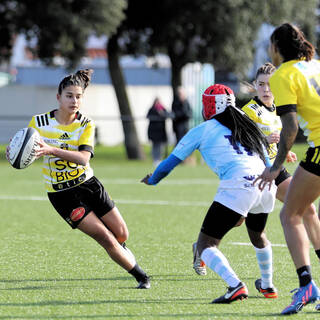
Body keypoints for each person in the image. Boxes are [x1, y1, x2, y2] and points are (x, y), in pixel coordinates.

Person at [6, 69, 150, 289]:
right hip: (62, 195)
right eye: (69, 96)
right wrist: (15, 152)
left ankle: (123, 254)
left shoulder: (85, 124)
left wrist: (51, 150)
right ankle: (142, 277)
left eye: (78, 96)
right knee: (105, 237)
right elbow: (26, 151)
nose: (74, 101)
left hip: (89, 185)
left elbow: (83, 159)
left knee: (121, 233)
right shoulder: (39, 122)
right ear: (58, 97)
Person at [141, 83, 277, 304]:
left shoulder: (203, 130)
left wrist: (153, 179)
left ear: (208, 107)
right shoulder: (247, 123)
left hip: (239, 184)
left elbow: (169, 163)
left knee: (205, 245)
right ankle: (268, 284)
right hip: (266, 184)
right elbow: (268, 161)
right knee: (258, 236)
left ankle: (235, 285)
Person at [254, 23, 320, 315]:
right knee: (306, 210)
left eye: (271, 45)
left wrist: (275, 166)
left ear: (277, 47)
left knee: (289, 214)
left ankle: (306, 284)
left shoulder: (284, 75)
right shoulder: (315, 66)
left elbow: (290, 127)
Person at [242, 62, 320, 278]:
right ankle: (202, 247)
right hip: (255, 172)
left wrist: (283, 152)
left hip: (274, 170)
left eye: (269, 85)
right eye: (261, 85)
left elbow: (280, 140)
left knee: (308, 209)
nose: (266, 90)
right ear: (255, 86)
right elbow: (240, 142)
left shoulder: (279, 109)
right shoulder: (250, 111)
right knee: (235, 220)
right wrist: (264, 139)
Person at [147, 98, 170, 167]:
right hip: (154, 132)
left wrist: (162, 113)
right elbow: (148, 117)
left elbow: (168, 115)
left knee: (160, 146)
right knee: (155, 146)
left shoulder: (163, 109)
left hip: (161, 132)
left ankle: (159, 159)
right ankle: (155, 159)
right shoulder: (152, 110)